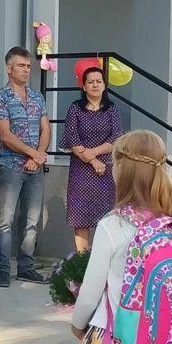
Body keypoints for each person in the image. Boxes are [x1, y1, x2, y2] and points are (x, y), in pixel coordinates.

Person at [67, 130, 172, 344]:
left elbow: (92, 289)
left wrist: (78, 324)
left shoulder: (113, 225)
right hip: (160, 336)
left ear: (121, 170)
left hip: (118, 337)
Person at [0, 47, 51, 287]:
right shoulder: (0, 98)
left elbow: (45, 128)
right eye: (20, 66)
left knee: (31, 219)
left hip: (35, 168)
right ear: (8, 68)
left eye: (28, 66)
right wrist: (33, 153)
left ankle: (26, 268)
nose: (26, 70)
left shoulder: (37, 97)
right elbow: (5, 135)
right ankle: (3, 270)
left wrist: (38, 156)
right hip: (11, 166)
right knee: (5, 219)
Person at [59, 67, 123, 252]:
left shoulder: (111, 109)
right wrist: (93, 160)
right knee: (80, 217)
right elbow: (72, 138)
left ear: (104, 85)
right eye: (91, 82)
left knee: (107, 216)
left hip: (106, 169)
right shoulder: (75, 108)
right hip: (81, 170)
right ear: (84, 86)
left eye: (98, 81)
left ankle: (103, 258)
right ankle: (82, 259)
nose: (95, 85)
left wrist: (94, 152)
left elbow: (116, 137)